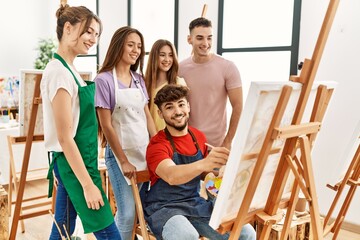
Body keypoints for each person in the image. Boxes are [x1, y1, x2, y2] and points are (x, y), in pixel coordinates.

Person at [41, 3, 120, 239]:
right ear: (68, 28)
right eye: (88, 31)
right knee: (107, 229)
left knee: (63, 228)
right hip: (73, 164)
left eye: (96, 34)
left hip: (79, 162)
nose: (93, 39)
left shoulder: (71, 69)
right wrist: (88, 185)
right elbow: (65, 137)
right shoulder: (59, 72)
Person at [144, 85, 256, 240]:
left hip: (195, 204)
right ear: (160, 113)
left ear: (188, 107)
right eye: (169, 107)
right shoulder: (157, 145)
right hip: (165, 208)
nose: (177, 112)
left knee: (246, 233)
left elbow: (203, 173)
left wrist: (224, 172)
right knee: (186, 235)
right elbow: (171, 176)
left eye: (181, 104)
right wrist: (205, 163)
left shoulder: (197, 137)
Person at [94, 26, 157, 240]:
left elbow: (147, 116)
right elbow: (107, 126)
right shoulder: (103, 80)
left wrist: (158, 147)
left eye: (139, 46)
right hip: (120, 157)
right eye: (131, 45)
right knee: (128, 213)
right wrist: (123, 161)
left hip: (144, 153)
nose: (136, 50)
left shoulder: (138, 79)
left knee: (137, 213)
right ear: (118, 45)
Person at [179, 17, 243, 149]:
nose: (206, 43)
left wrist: (228, 142)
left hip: (217, 145)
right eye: (200, 38)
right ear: (189, 39)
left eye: (209, 38)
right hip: (188, 143)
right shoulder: (180, 69)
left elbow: (238, 106)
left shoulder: (228, 67)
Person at [145, 39, 186, 131]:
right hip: (146, 138)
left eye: (171, 55)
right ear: (154, 57)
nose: (167, 59)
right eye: (162, 55)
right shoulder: (144, 84)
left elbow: (183, 116)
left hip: (169, 138)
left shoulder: (178, 83)